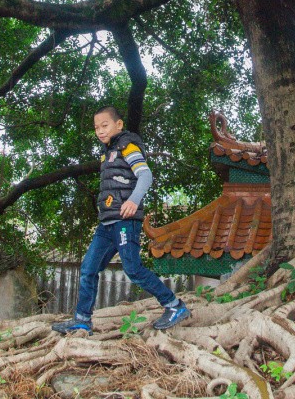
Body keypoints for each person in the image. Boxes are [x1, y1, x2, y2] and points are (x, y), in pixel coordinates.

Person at [52, 106, 191, 334]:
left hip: (125, 220)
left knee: (133, 269)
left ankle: (175, 306)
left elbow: (145, 175)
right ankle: (82, 321)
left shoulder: (128, 145)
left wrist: (134, 201)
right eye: (96, 127)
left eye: (104, 125)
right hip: (107, 223)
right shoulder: (107, 152)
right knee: (88, 268)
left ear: (119, 125)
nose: (99, 131)